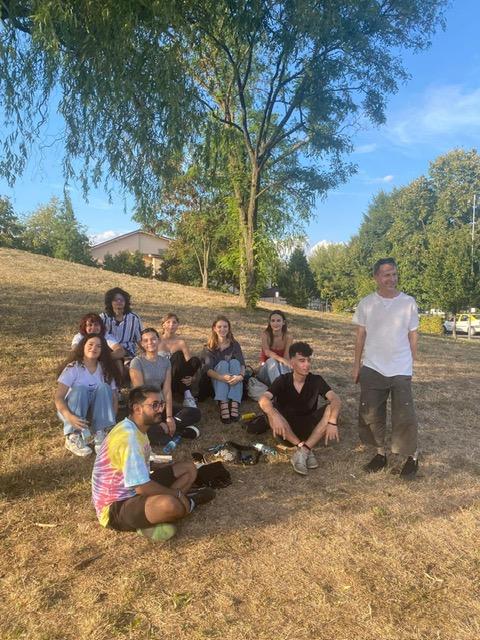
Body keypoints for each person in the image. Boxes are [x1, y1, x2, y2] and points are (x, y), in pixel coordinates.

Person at [91, 385, 215, 542]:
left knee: (188, 468)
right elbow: (142, 487)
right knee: (170, 505)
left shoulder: (137, 428)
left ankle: (157, 515)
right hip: (116, 507)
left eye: (161, 404)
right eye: (154, 405)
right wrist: (176, 494)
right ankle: (188, 503)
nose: (160, 410)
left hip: (135, 490)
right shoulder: (129, 438)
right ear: (137, 409)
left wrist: (165, 468)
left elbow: (140, 467)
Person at [352, 258, 419, 479]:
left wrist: (411, 362)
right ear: (376, 277)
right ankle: (380, 455)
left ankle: (412, 457)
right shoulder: (366, 304)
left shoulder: (408, 302)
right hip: (373, 367)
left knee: (404, 415)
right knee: (371, 414)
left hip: (400, 368)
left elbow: (413, 334)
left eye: (394, 274)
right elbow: (360, 336)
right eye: (386, 274)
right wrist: (356, 365)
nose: (392, 278)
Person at [258, 341, 341, 475]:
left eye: (308, 360)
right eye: (302, 361)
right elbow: (263, 399)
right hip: (285, 432)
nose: (306, 364)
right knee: (270, 407)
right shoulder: (283, 380)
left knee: (333, 408)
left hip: (309, 430)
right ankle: (302, 447)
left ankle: (304, 450)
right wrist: (273, 415)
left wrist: (332, 421)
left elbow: (335, 399)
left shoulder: (316, 380)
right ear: (292, 362)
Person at [129, 328, 201, 445]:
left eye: (153, 339)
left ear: (158, 340)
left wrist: (169, 417)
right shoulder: (137, 362)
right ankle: (177, 430)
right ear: (142, 344)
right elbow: (140, 393)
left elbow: (167, 391)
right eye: (146, 340)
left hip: (160, 405)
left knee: (195, 413)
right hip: (144, 407)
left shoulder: (165, 362)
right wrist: (157, 421)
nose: (150, 342)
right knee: (157, 436)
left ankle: (170, 426)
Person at [55, 334, 121, 457]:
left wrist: (111, 421)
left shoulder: (105, 369)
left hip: (97, 414)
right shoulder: (73, 367)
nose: (94, 348)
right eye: (90, 344)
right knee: (80, 389)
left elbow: (114, 398)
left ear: (102, 350)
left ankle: (101, 434)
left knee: (104, 387)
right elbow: (59, 397)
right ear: (83, 346)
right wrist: (69, 416)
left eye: (99, 346)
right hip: (73, 412)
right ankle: (73, 436)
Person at [203, 315, 245, 424]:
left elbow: (242, 365)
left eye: (225, 326)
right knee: (222, 364)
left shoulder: (234, 344)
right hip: (217, 379)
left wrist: (240, 377)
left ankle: (235, 403)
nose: (222, 329)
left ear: (229, 328)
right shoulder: (209, 347)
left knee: (235, 362)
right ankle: (224, 403)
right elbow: (208, 370)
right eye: (219, 327)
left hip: (234, 378)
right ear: (214, 328)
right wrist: (222, 377)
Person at [158, 312, 201, 408]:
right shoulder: (157, 340)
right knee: (177, 355)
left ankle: (187, 396)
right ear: (163, 325)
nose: (171, 325)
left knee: (195, 360)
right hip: (162, 377)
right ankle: (186, 392)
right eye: (168, 322)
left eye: (174, 322)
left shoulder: (181, 343)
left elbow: (189, 364)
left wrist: (192, 378)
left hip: (177, 378)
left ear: (178, 325)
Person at [100, 287, 143, 361]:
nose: (119, 302)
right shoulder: (103, 318)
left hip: (128, 352)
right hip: (109, 351)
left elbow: (140, 340)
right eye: (115, 300)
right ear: (110, 302)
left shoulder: (134, 318)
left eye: (122, 300)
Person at [256, 310, 292, 385]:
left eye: (278, 321)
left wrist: (284, 362)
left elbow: (286, 358)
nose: (275, 323)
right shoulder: (265, 335)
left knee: (283, 365)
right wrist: (281, 360)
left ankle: (281, 388)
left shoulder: (288, 337)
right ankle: (280, 388)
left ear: (283, 322)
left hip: (280, 371)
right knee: (271, 361)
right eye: (273, 321)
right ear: (269, 322)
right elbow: (267, 352)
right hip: (265, 371)